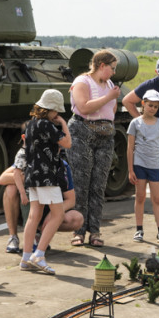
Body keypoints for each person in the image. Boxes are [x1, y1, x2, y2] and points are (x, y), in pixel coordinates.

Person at [67, 50, 121, 248]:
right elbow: (84, 107)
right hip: (82, 132)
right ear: (101, 66)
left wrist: (109, 98)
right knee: (81, 183)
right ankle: (79, 231)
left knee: (98, 185)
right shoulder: (83, 81)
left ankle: (95, 230)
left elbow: (112, 110)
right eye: (112, 68)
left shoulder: (107, 85)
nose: (113, 73)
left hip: (105, 136)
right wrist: (109, 97)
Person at [20, 89, 71, 275]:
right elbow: (67, 143)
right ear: (50, 109)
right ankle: (39, 254)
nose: (57, 114)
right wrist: (63, 124)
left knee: (34, 215)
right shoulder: (47, 125)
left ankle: (26, 257)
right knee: (57, 215)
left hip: (32, 175)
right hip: (47, 176)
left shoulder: (31, 124)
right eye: (56, 111)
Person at [126, 89, 159, 243]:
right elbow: (130, 147)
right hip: (139, 164)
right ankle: (139, 230)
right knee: (140, 197)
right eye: (150, 105)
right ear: (143, 104)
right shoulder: (135, 123)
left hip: (155, 165)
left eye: (155, 106)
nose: (152, 109)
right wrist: (130, 170)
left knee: (156, 199)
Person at [121, 56, 159, 122]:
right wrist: (142, 122)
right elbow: (127, 101)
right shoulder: (150, 85)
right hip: (155, 129)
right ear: (156, 72)